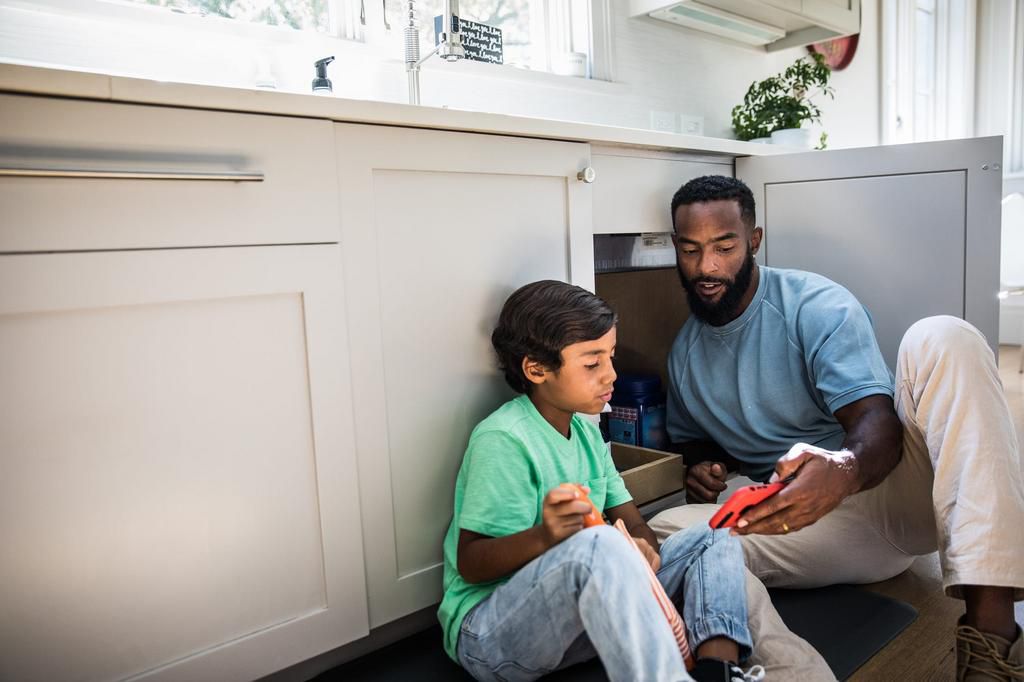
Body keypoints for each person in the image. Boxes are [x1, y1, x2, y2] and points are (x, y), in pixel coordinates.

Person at [649, 175, 1024, 681]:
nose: (707, 267)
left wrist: (842, 469)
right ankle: (790, 672)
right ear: (676, 247)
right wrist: (703, 467)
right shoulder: (684, 356)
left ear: (754, 241)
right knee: (665, 536)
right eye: (691, 250)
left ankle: (992, 637)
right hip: (803, 525)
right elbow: (694, 439)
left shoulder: (815, 304)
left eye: (724, 246)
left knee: (944, 335)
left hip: (891, 491)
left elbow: (876, 420)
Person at [438, 280, 760, 682]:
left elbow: (635, 522)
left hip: (574, 626)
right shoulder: (504, 438)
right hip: (491, 635)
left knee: (715, 533)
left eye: (610, 356)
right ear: (536, 369)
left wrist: (645, 549)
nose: (611, 374)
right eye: (592, 364)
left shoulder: (589, 434)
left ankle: (718, 669)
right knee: (600, 541)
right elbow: (471, 563)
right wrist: (547, 536)